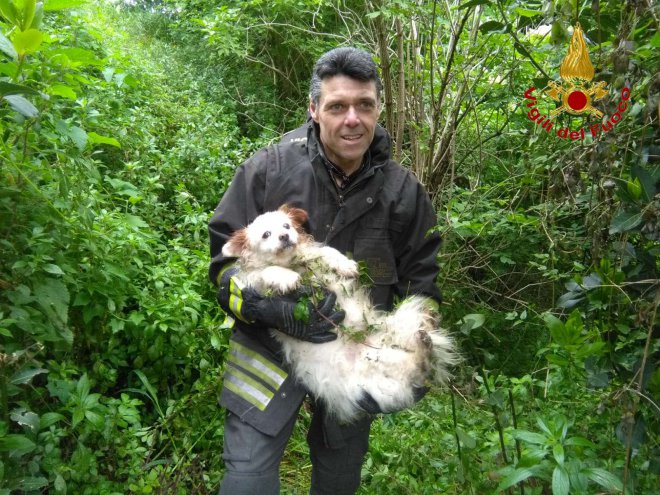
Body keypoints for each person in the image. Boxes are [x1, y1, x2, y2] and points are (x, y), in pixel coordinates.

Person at [208, 47, 442, 495]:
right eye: (337, 106)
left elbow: (423, 281)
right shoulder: (268, 169)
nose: (351, 119)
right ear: (314, 109)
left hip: (354, 353)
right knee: (247, 479)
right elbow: (221, 267)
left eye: (364, 105)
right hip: (266, 348)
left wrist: (418, 347)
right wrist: (262, 306)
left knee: (339, 475)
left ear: (378, 108)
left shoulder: (404, 193)